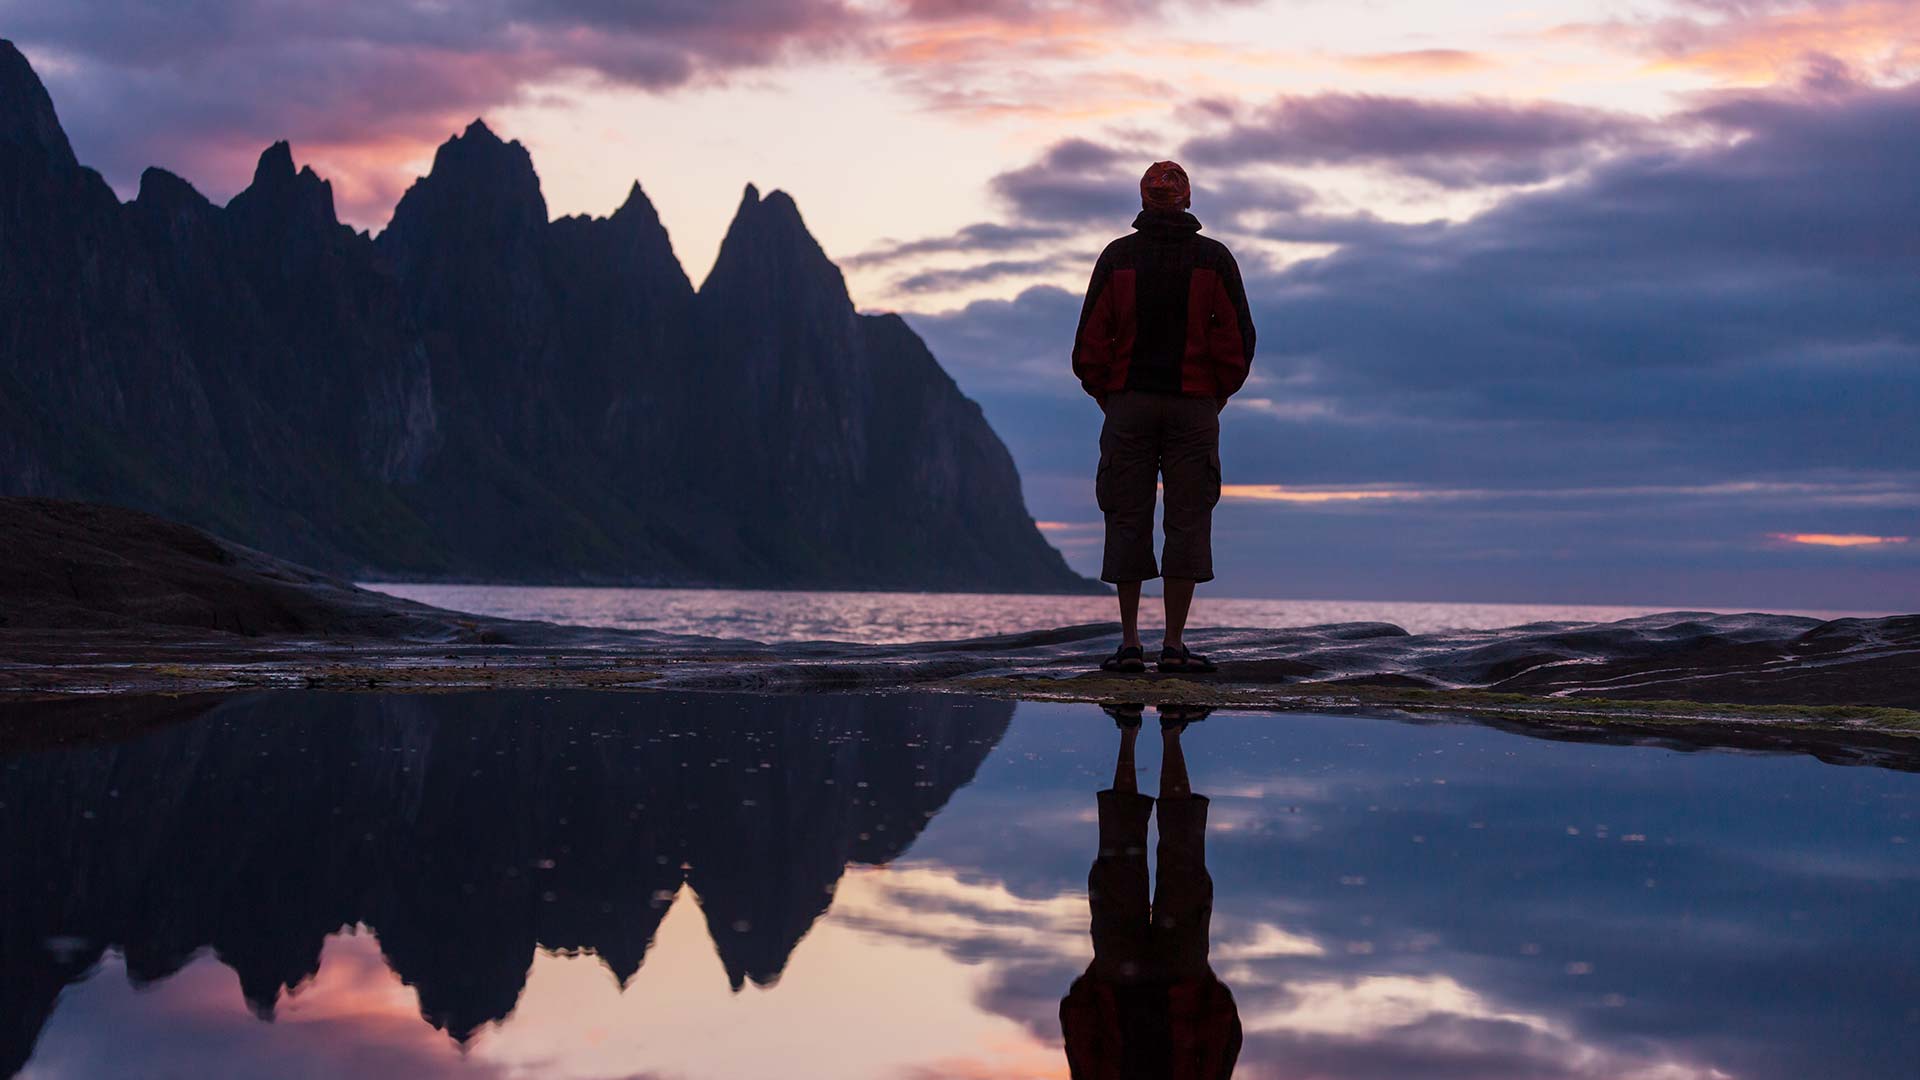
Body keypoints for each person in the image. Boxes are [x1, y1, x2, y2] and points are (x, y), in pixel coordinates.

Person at [1074, 161, 1256, 675]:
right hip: (1192, 405)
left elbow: (1090, 343)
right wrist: (1213, 396)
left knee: (1126, 515)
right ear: (1187, 199)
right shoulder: (1213, 259)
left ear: (1144, 200)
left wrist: (1110, 397)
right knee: (1188, 518)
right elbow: (1238, 342)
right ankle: (1173, 646)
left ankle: (1130, 644)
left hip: (1129, 404)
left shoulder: (1118, 257)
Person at [1060, 704, 1242, 1079]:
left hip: (1155, 978)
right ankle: (1144, 734)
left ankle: (1158, 734)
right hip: (1146, 980)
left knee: (1174, 857)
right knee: (1138, 858)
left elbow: (1223, 1034)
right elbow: (1077, 1026)